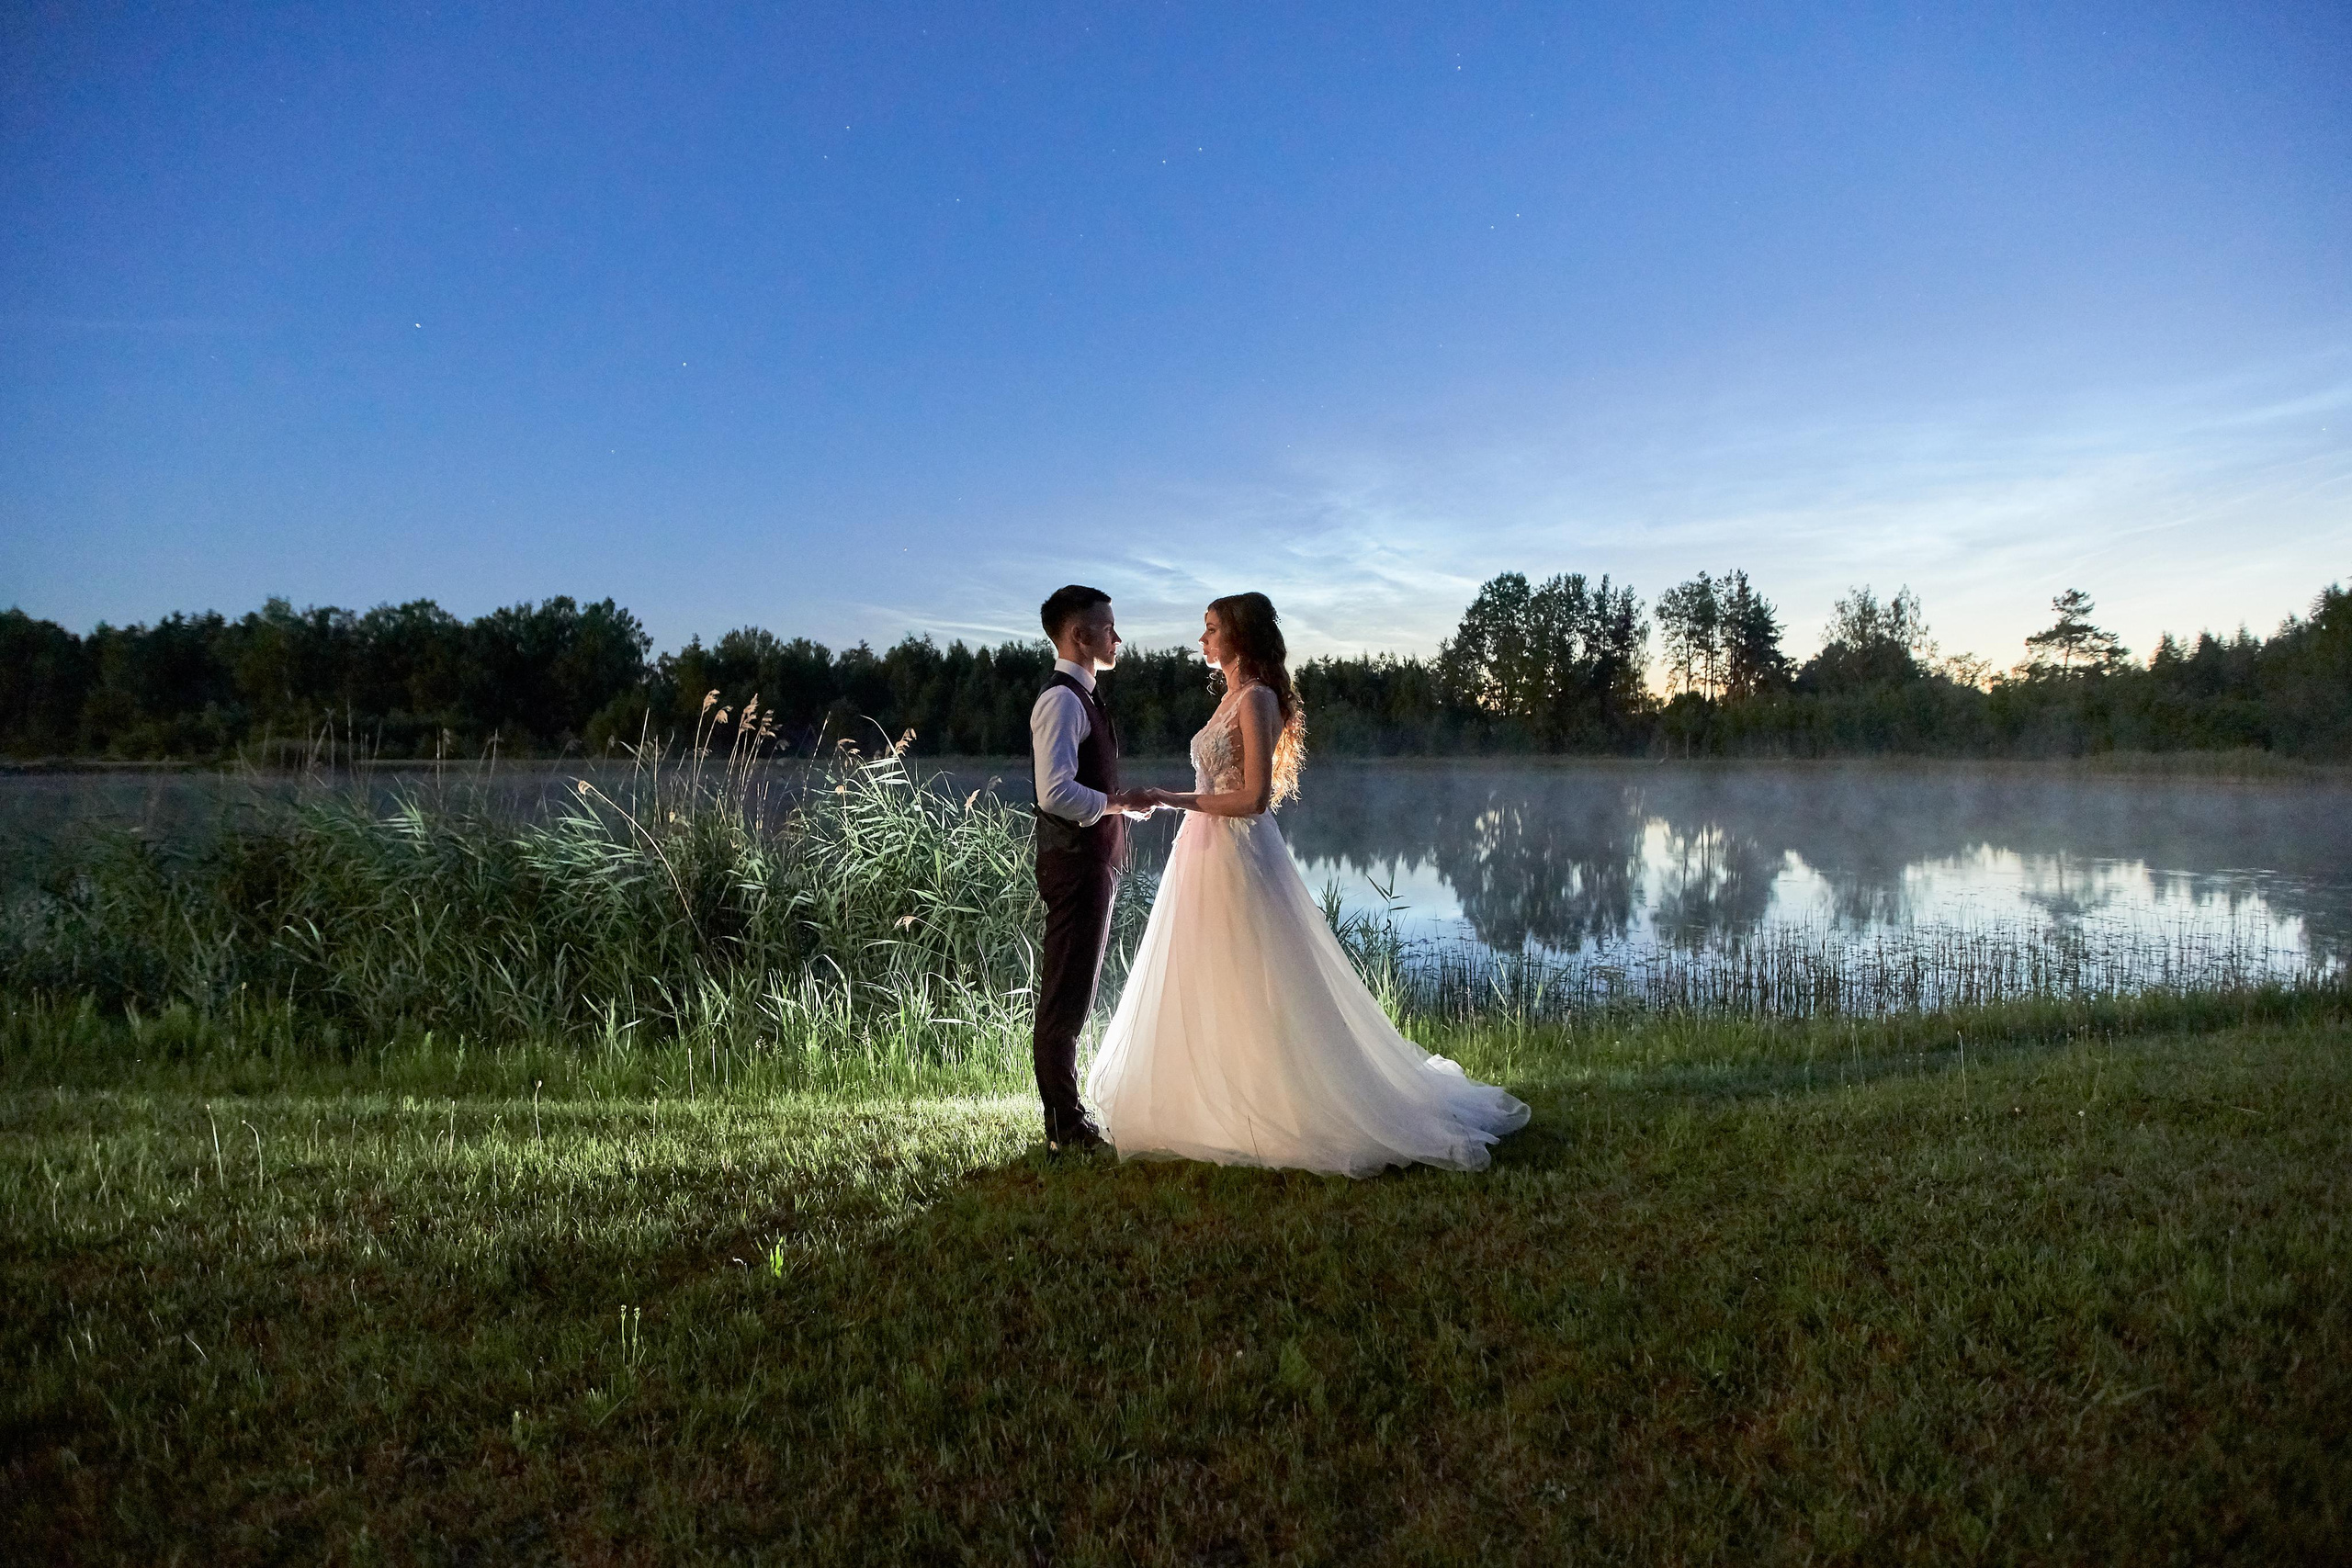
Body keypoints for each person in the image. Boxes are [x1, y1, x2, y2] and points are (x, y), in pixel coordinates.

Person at [1084, 592, 1530, 1176]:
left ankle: (1286, 1102)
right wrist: (1169, 801)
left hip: (1239, 853)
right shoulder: (1229, 698)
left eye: (1212, 628)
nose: (1202, 639)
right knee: (1211, 970)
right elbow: (1220, 784)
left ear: (1240, 636)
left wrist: (1168, 797)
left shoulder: (1257, 698)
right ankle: (1215, 1095)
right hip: (1203, 851)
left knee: (1260, 972)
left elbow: (1253, 798)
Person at [1028, 584, 1159, 1154]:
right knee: (1066, 997)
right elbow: (1055, 794)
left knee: (1075, 993)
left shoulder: (1083, 697)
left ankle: (1068, 1122)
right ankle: (1066, 1128)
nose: (1117, 637)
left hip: (1090, 863)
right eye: (1108, 627)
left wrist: (1116, 806)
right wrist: (1117, 804)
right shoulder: (1061, 701)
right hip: (1074, 864)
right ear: (1079, 635)